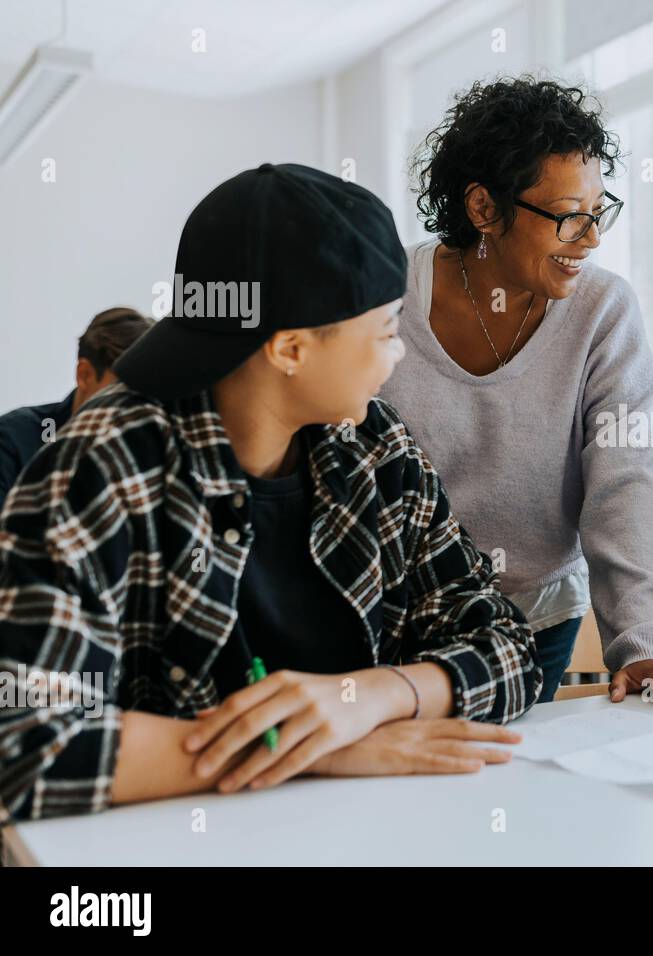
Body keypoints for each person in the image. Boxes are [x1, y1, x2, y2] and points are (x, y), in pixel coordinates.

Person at [0, 163, 541, 822]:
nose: (396, 355)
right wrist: (307, 750)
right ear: (289, 349)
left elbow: (509, 647)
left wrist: (369, 698)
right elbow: (23, 743)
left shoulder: (377, 450)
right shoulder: (99, 468)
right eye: (386, 330)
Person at [383, 76, 653, 709]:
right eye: (569, 217)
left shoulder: (604, 310)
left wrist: (644, 642)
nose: (592, 238)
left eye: (599, 214)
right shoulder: (389, 298)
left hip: (534, 619)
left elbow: (625, 481)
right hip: (396, 618)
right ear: (484, 209)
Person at [0, 307, 153, 501]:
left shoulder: (155, 454)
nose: (132, 409)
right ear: (85, 374)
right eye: (120, 393)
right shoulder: (14, 439)